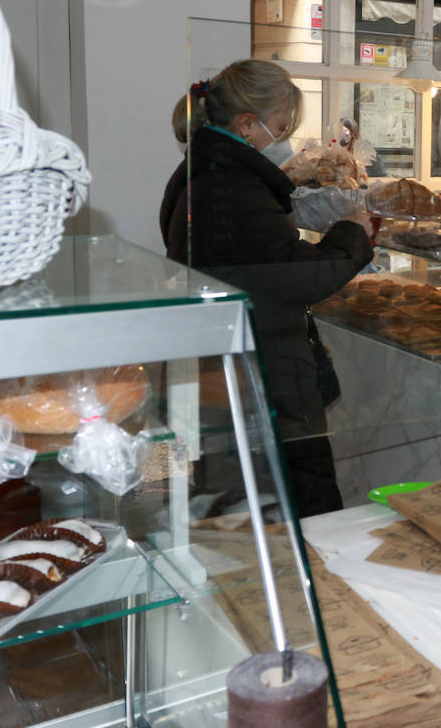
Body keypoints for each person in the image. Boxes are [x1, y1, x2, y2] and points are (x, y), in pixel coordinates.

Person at [160, 59, 374, 516]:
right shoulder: (232, 185)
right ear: (247, 125)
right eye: (280, 126)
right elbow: (301, 277)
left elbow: (254, 260)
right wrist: (353, 232)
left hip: (229, 362)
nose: (284, 139)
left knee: (248, 500)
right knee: (296, 504)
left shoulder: (201, 172)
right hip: (263, 370)